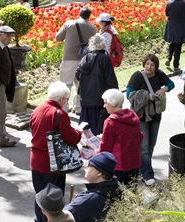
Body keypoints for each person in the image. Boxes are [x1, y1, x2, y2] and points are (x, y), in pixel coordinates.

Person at [30, 82, 82, 222]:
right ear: (60, 98)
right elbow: (71, 138)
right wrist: (79, 133)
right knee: (53, 203)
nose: (66, 102)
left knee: (40, 198)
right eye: (66, 99)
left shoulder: (37, 110)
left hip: (35, 162)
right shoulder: (58, 113)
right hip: (53, 164)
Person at [126, 54, 175, 185]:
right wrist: (147, 96)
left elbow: (171, 84)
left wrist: (163, 89)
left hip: (156, 115)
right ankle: (148, 175)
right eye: (147, 64)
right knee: (145, 146)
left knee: (151, 144)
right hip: (141, 116)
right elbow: (129, 94)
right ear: (144, 64)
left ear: (156, 66)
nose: (149, 67)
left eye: (152, 65)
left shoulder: (159, 74)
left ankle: (142, 169)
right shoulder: (137, 76)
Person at [75, 34, 119, 135]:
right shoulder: (104, 58)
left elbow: (77, 74)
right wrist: (115, 98)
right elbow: (111, 80)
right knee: (100, 134)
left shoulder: (84, 58)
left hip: (86, 102)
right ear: (103, 45)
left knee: (86, 134)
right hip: (101, 103)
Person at [55, 6, 96, 113]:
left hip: (69, 57)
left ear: (79, 13)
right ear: (89, 16)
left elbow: (58, 37)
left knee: (65, 83)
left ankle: (64, 107)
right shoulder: (92, 28)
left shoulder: (69, 24)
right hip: (84, 59)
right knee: (81, 84)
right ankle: (78, 107)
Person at [98, 89, 142, 186]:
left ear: (112, 103)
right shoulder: (133, 117)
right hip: (134, 161)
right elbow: (140, 136)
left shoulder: (110, 122)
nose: (104, 106)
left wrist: (95, 154)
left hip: (117, 164)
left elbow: (106, 147)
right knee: (133, 194)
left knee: (116, 195)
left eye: (105, 103)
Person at [64, 152, 122, 222]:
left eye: (90, 165)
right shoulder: (116, 189)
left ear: (100, 173)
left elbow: (60, 218)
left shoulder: (88, 199)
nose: (86, 166)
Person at [163, 0, 185, 72]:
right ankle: (176, 66)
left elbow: (167, 13)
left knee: (172, 42)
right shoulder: (183, 3)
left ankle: (168, 57)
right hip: (180, 26)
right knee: (178, 46)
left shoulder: (169, 3)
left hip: (171, 26)